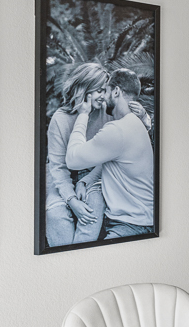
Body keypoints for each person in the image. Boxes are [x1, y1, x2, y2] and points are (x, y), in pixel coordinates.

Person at [66, 72, 155, 240]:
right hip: (140, 220)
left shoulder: (117, 130)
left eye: (105, 91)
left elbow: (72, 159)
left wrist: (83, 114)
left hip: (130, 226)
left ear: (116, 92)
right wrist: (86, 180)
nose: (103, 97)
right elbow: (114, 163)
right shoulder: (137, 123)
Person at [44, 63, 110, 247]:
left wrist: (86, 181)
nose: (104, 96)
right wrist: (71, 200)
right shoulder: (60, 118)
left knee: (92, 209)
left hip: (94, 177)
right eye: (99, 90)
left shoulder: (107, 113)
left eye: (105, 90)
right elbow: (57, 166)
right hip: (64, 179)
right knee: (55, 214)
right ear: (83, 89)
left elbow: (110, 155)